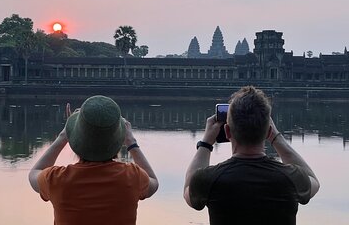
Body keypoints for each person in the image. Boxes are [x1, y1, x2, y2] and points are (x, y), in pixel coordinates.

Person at [184, 86, 320, 225]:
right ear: (268, 132)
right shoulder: (291, 177)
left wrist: (206, 143)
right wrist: (276, 138)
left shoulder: (209, 179)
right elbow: (314, 181)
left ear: (227, 131)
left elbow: (188, 190)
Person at [29, 95, 159, 225]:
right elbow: (153, 183)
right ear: (118, 140)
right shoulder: (131, 176)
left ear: (75, 139)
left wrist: (63, 136)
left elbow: (34, 172)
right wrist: (131, 142)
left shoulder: (57, 179)